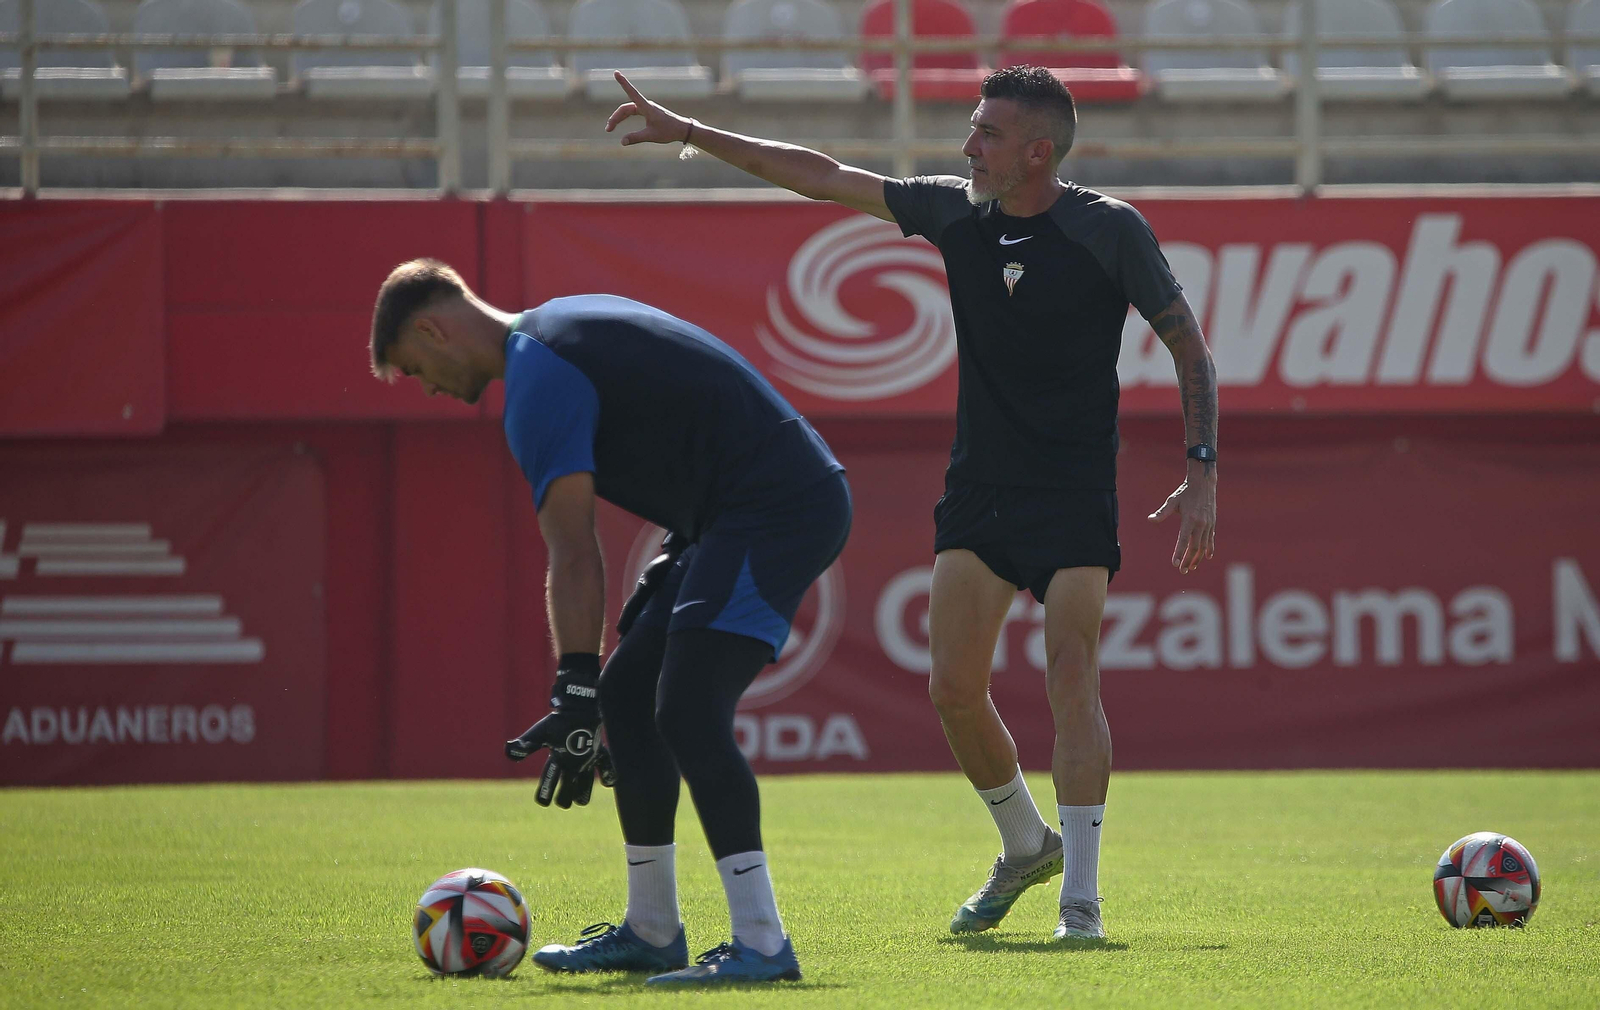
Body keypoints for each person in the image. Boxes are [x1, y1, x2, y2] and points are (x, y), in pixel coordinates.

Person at [603, 65, 1218, 941]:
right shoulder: (954, 213)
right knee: (952, 690)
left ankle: (1080, 901)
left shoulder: (1108, 230)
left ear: (1037, 151)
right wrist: (691, 131)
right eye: (972, 127)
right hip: (979, 492)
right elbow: (818, 173)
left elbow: (1189, 349)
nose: (968, 145)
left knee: (1071, 675)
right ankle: (1023, 844)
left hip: (1075, 492)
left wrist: (1202, 470)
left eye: (988, 133)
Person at [368, 261, 851, 984]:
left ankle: (762, 942)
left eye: (416, 368)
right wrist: (599, 687)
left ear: (434, 328)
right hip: (730, 513)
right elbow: (700, 419)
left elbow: (574, 552)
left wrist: (572, 687)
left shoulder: (536, 379)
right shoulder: (556, 329)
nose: (430, 388)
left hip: (776, 506)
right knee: (630, 701)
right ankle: (653, 930)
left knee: (686, 708)